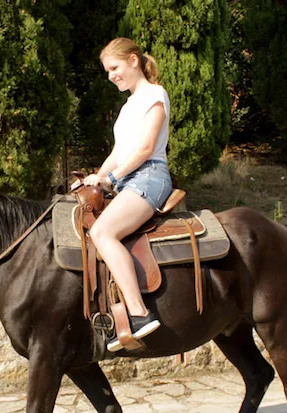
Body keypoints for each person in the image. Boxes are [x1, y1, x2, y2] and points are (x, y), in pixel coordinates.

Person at [83, 37, 173, 352]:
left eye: (114, 68)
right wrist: (94, 177)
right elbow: (119, 153)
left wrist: (110, 177)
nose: (111, 76)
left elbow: (146, 148)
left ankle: (138, 313)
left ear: (133, 60)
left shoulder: (154, 95)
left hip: (150, 177)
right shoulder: (127, 106)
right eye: (107, 71)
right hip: (127, 180)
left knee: (103, 233)